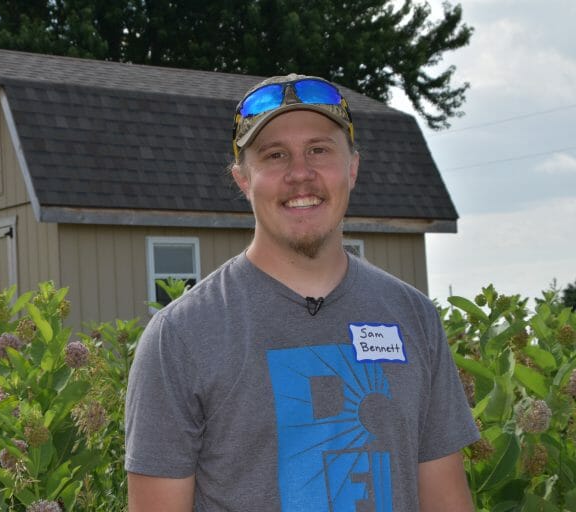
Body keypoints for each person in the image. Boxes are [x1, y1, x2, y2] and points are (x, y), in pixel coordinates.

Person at [125, 74, 479, 511]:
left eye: (319, 150)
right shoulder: (180, 337)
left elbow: (447, 500)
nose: (300, 174)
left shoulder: (413, 318)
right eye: (275, 155)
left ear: (352, 168)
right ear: (242, 179)